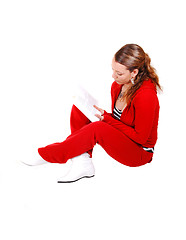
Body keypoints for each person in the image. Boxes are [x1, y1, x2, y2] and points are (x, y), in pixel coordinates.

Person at [23, 44, 161, 183]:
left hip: (139, 152)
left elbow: (141, 138)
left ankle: (46, 155)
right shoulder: (117, 86)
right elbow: (122, 122)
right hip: (125, 138)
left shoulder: (146, 95)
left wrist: (107, 119)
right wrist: (106, 117)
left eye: (119, 73)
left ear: (134, 72)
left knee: (97, 128)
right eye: (113, 70)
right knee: (80, 109)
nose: (114, 76)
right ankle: (82, 162)